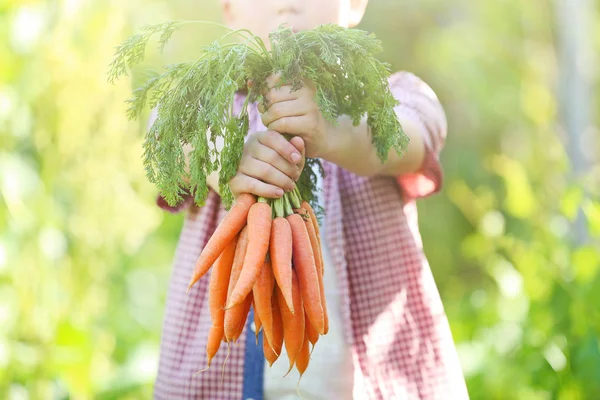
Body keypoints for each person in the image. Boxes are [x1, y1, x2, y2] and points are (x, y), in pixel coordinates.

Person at [152, 0, 469, 399]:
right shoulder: (208, 107)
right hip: (221, 383)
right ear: (229, 8)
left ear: (354, 5)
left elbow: (416, 130)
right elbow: (165, 136)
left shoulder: (384, 101)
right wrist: (226, 159)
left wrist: (334, 130)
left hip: (381, 381)